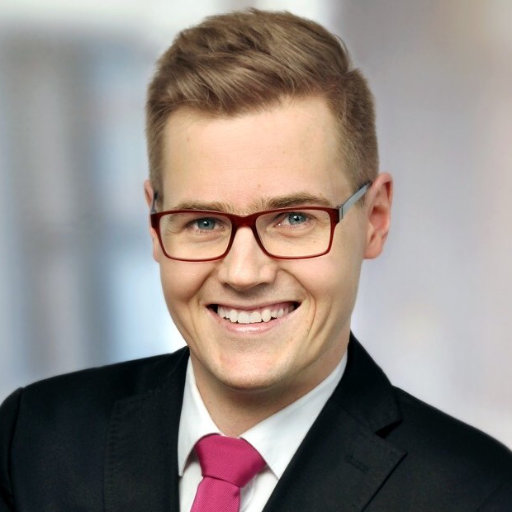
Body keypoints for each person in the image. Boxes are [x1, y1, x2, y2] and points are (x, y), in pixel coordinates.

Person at [1, 8, 511, 511]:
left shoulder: (480, 494)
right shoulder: (31, 441)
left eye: (293, 218)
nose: (244, 273)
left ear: (375, 218)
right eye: (204, 222)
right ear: (154, 226)